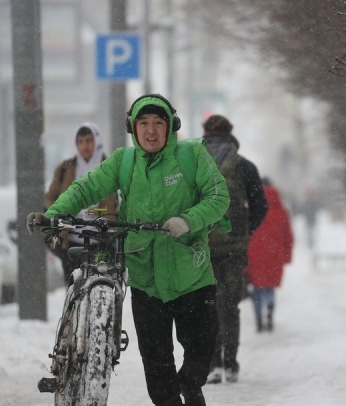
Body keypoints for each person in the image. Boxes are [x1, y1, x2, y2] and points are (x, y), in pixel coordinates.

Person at [27, 94, 229, 406]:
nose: (151, 130)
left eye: (158, 123)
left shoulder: (192, 155)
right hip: (145, 277)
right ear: (133, 129)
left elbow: (218, 198)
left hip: (192, 274)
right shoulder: (124, 161)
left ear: (170, 126)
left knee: (201, 349)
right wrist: (54, 214)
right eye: (143, 123)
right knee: (157, 364)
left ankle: (191, 384)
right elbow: (87, 187)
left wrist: (188, 221)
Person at [201, 114, 268, 384]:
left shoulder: (194, 162)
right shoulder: (245, 167)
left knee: (207, 306)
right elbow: (261, 205)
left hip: (201, 246)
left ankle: (212, 363)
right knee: (230, 305)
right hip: (234, 247)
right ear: (231, 133)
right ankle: (230, 363)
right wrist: (245, 230)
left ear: (205, 132)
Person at [44, 122, 118, 283]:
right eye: (81, 141)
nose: (85, 146)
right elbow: (50, 197)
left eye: (89, 140)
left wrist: (103, 217)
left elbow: (117, 202)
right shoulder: (65, 168)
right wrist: (59, 216)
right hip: (72, 241)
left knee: (103, 285)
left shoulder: (112, 167)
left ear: (97, 141)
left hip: (102, 240)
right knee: (74, 286)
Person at [246, 177, 294, 332]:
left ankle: (259, 319)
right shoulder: (282, 212)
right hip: (274, 255)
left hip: (254, 255)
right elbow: (288, 236)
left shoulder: (251, 209)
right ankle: (270, 314)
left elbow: (244, 234)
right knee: (270, 287)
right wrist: (286, 256)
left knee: (257, 289)